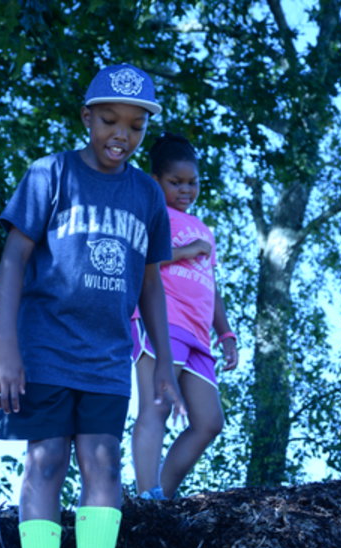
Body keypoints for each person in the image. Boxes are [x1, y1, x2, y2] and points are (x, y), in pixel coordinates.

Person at [0, 65, 185, 548]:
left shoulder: (146, 194)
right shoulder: (50, 174)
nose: (122, 134)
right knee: (47, 459)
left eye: (135, 126)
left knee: (103, 463)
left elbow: (151, 284)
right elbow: (14, 259)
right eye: (110, 120)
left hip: (107, 357)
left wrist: (164, 363)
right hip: (45, 347)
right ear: (86, 118)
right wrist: (5, 348)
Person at [131, 132, 238, 501]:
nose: (185, 190)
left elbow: (210, 285)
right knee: (157, 406)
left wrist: (225, 334)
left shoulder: (202, 228)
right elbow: (141, 258)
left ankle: (163, 499)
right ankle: (146, 495)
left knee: (209, 422)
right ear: (156, 180)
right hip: (163, 321)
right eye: (175, 182)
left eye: (192, 182)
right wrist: (189, 249)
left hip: (198, 332)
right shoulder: (153, 212)